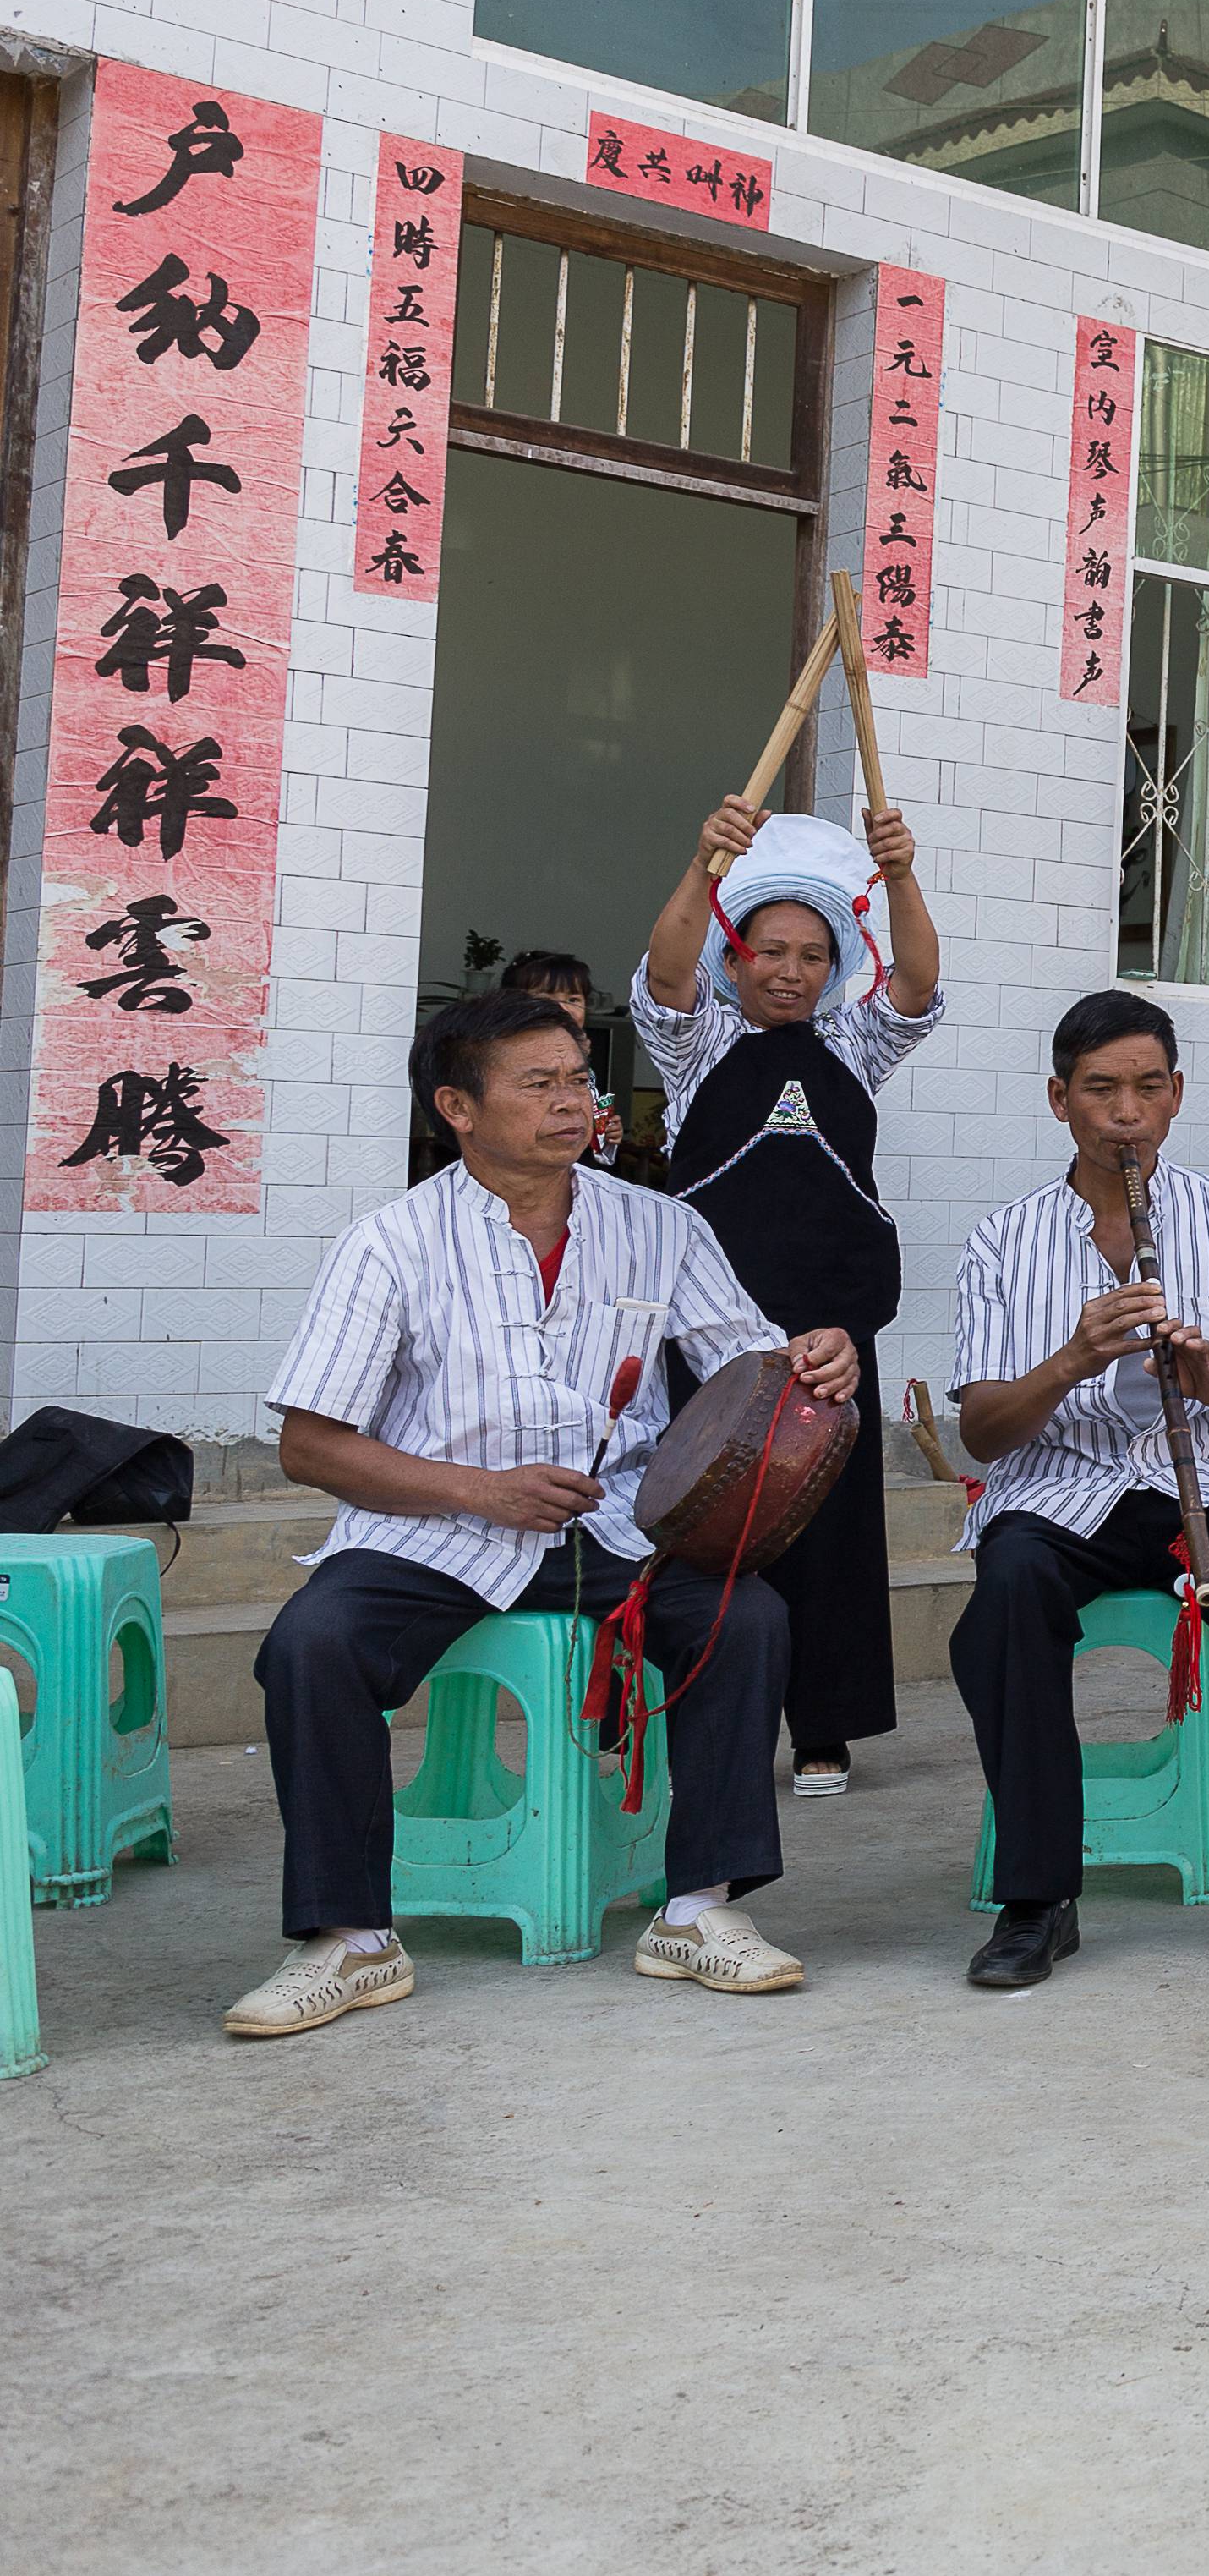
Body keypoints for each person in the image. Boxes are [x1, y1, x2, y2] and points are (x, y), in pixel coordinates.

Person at [223, 989, 860, 2038]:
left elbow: (749, 1369)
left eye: (580, 1079)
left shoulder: (661, 1225)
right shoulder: (390, 1243)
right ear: (457, 1108)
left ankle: (697, 1909)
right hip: (439, 1527)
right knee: (314, 1642)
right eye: (540, 1084)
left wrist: (810, 1357)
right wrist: (479, 1491)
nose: (573, 1103)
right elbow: (311, 1446)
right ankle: (349, 1939)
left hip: (616, 1527)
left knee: (747, 1619)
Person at [946, 993, 1209, 1989]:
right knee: (1007, 1597)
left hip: (1204, 1483)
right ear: (1059, 1100)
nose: (1125, 1111)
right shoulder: (1004, 1239)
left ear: (1176, 1099)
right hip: (1057, 1491)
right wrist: (1072, 1358)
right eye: (1101, 1089)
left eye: (1148, 1088)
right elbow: (984, 1429)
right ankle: (1037, 1897)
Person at [631, 795, 941, 1799]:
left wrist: (899, 876)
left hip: (832, 1334)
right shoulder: (697, 1048)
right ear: (737, 957)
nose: (792, 970)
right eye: (771, 951)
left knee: (830, 1530)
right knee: (706, 1519)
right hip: (712, 1332)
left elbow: (921, 986)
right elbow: (666, 972)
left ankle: (826, 1729)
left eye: (814, 954)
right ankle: (695, 1717)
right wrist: (702, 860)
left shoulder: (853, 1047)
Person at [500, 948, 624, 1167]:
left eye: (573, 999)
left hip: (578, 1165)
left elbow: (596, 1110)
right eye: (546, 998)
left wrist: (607, 1132)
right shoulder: (505, 1053)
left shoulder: (587, 1057)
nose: (563, 1008)